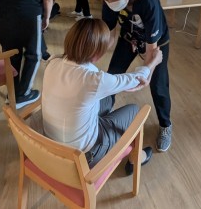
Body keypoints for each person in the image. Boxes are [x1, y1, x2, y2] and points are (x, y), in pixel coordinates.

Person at [42, 18, 162, 171]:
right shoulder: (94, 80)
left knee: (107, 99)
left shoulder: (53, 62)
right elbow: (136, 79)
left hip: (51, 146)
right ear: (97, 54)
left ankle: (106, 131)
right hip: (84, 157)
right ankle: (135, 158)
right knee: (134, 111)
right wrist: (153, 62)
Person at [96, 0, 174, 152]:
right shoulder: (110, 1)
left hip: (156, 43)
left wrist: (147, 73)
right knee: (113, 74)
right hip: (129, 37)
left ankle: (165, 125)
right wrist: (93, 57)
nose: (110, 2)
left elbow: (151, 49)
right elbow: (109, 34)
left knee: (158, 85)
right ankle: (101, 113)